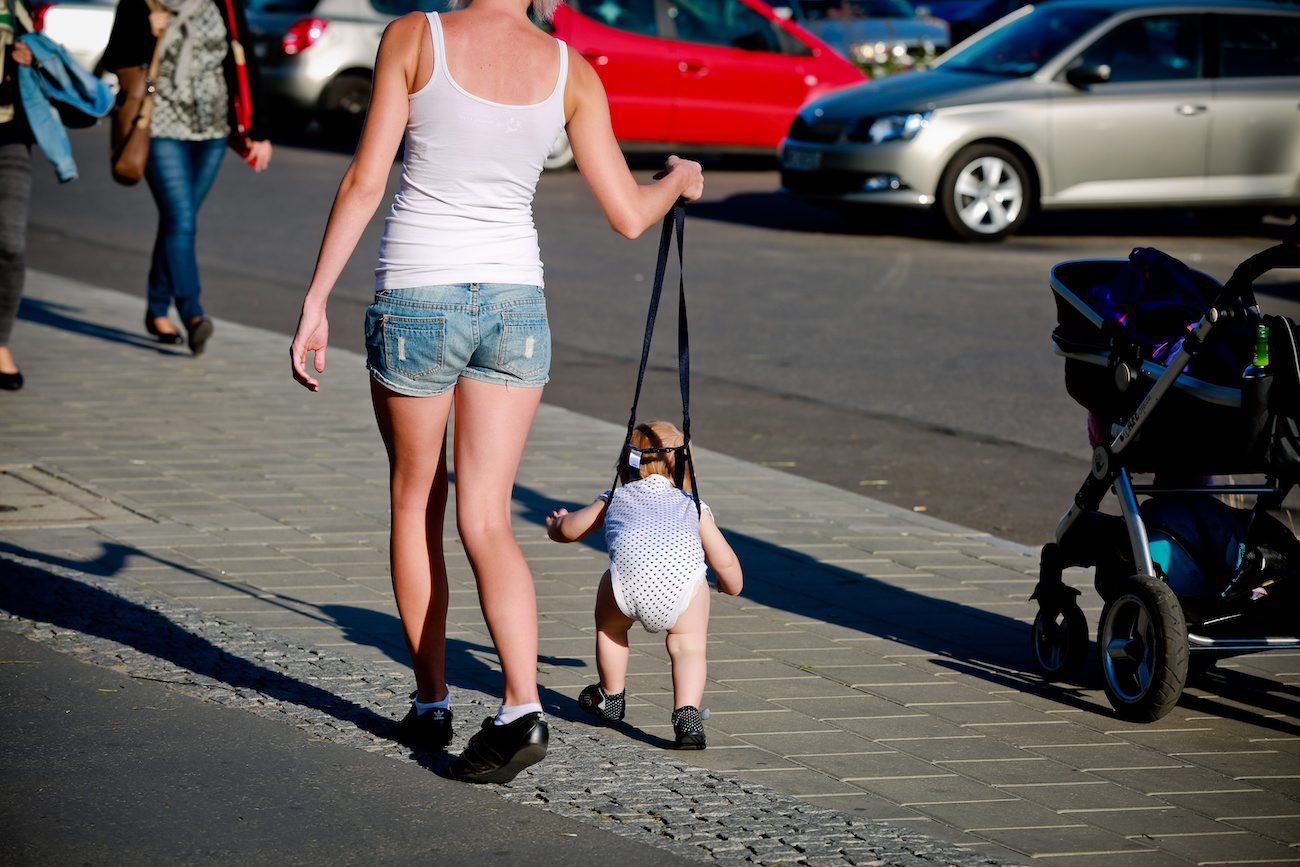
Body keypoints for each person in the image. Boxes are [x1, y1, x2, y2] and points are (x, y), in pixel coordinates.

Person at [288, 0, 703, 784]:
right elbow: (626, 214)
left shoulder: (416, 37)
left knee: (418, 502)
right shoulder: (570, 71)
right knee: (488, 516)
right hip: (516, 306)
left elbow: (366, 176)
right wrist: (678, 178)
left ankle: (433, 699)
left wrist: (316, 302)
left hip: (418, 295)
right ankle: (520, 703)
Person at [546, 421, 743, 750]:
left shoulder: (615, 497)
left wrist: (556, 525)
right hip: (685, 588)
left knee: (611, 630)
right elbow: (725, 562)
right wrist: (729, 585)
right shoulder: (693, 507)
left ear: (627, 464)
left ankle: (611, 696)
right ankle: (687, 716)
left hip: (626, 585)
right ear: (685, 468)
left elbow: (570, 531)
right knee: (689, 647)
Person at [103, 0, 272, 355]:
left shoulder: (223, 2)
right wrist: (145, 31)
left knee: (179, 220)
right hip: (158, 122)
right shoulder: (142, 3)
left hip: (212, 125)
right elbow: (114, 58)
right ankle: (193, 314)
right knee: (180, 218)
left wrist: (257, 130)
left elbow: (243, 58)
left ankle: (156, 308)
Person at [0, 9, 31, 391]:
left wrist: (33, 56)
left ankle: (1, 342)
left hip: (10, 131)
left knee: (10, 244)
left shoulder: (18, 5)